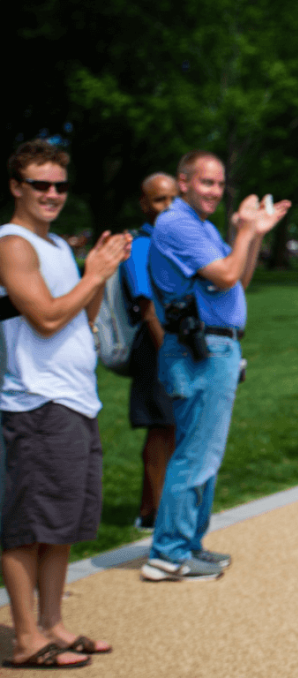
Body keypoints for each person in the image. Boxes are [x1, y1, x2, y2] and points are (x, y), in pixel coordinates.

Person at [0, 139, 130, 668]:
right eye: (41, 184)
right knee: (28, 524)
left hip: (75, 400)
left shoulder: (54, 244)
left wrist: (103, 272)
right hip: (37, 402)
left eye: (60, 185)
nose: (53, 194)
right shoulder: (12, 244)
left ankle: (53, 624)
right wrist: (93, 273)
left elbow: (83, 315)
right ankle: (27, 638)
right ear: (17, 187)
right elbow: (47, 317)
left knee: (61, 524)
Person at [140, 150, 291, 582]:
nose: (215, 191)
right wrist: (243, 229)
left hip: (215, 348)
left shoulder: (202, 226)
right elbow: (225, 276)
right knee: (194, 454)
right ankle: (167, 552)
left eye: (220, 184)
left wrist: (254, 234)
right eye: (206, 182)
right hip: (198, 349)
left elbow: (238, 277)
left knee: (205, 454)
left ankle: (188, 544)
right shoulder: (177, 223)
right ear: (183, 182)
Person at [123, 172, 179, 531]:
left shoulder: (169, 241)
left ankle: (149, 509)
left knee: (170, 428)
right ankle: (157, 513)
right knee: (161, 428)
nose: (168, 206)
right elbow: (147, 310)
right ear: (145, 204)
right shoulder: (141, 245)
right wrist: (171, 356)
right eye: (160, 200)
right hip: (155, 345)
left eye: (173, 198)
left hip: (170, 342)